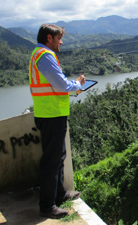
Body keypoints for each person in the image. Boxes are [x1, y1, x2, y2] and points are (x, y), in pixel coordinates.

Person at [29, 24, 85, 219]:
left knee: (58, 157)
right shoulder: (44, 55)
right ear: (48, 38)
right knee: (51, 162)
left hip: (51, 113)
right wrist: (77, 83)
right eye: (58, 38)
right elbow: (61, 85)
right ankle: (47, 206)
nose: (61, 42)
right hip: (50, 115)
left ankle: (60, 194)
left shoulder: (39, 53)